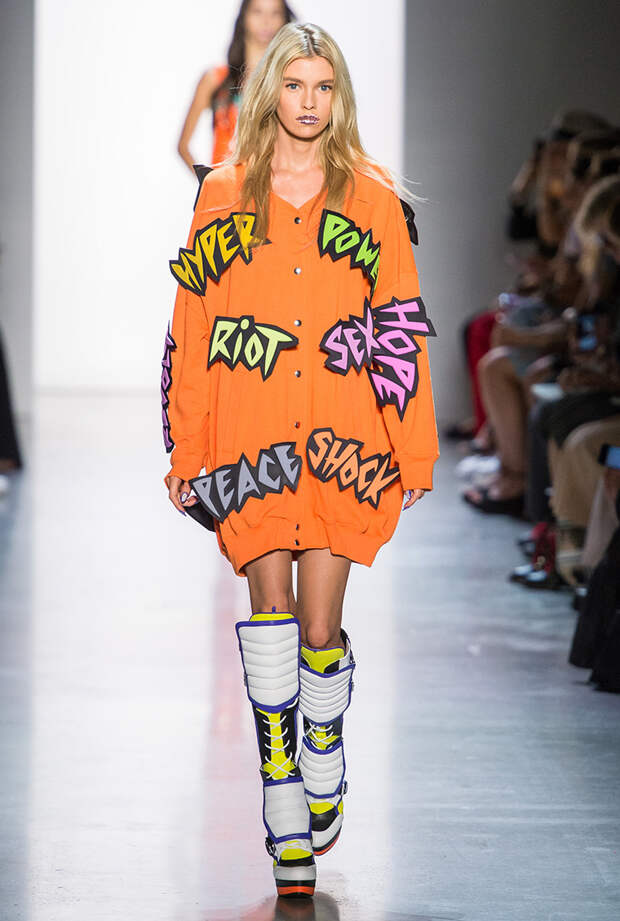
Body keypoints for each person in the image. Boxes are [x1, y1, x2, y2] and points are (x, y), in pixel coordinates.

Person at [162, 22, 440, 899]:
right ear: (270, 91)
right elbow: (193, 329)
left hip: (342, 440)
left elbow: (398, 329)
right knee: (271, 622)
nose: (309, 102)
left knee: (320, 631)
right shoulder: (222, 194)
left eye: (324, 86)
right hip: (251, 439)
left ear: (339, 96)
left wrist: (413, 447)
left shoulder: (373, 199)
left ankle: (324, 742)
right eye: (295, 85)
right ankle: (282, 798)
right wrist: (188, 447)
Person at [177, 0, 295, 171]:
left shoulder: (290, 82)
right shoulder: (216, 79)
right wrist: (207, 182)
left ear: (284, 20)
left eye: (275, 13)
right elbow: (183, 145)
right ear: (244, 16)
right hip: (224, 185)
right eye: (257, 12)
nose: (266, 21)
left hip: (272, 185)